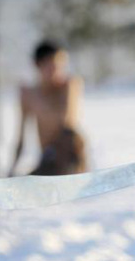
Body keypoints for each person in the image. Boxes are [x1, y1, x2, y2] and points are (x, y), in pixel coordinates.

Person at [10, 41, 86, 177]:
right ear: (38, 65)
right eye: (52, 65)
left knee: (70, 137)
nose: (57, 70)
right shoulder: (29, 93)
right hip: (48, 158)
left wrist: (37, 100)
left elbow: (65, 121)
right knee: (27, 182)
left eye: (60, 65)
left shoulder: (69, 84)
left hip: (69, 155)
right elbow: (21, 137)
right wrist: (11, 169)